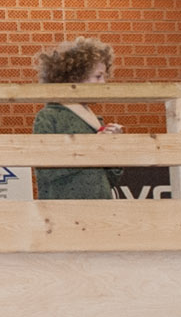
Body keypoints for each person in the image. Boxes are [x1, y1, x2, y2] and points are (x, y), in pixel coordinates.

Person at [31, 35, 123, 200]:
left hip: (101, 207)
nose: (103, 82)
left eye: (104, 76)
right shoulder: (49, 117)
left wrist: (113, 145)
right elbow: (47, 171)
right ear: (75, 78)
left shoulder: (96, 121)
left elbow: (111, 178)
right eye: (98, 76)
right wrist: (94, 145)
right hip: (65, 209)